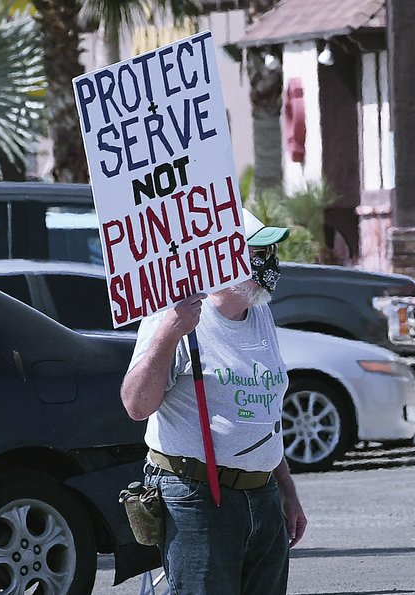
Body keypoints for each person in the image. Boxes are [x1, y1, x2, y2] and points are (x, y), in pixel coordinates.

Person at [121, 208, 307, 595]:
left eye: (269, 251)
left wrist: (286, 490)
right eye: (257, 252)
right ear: (218, 257)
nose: (268, 262)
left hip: (262, 494)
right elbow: (136, 405)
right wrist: (170, 333)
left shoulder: (260, 314)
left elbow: (263, 414)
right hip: (197, 496)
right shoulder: (174, 316)